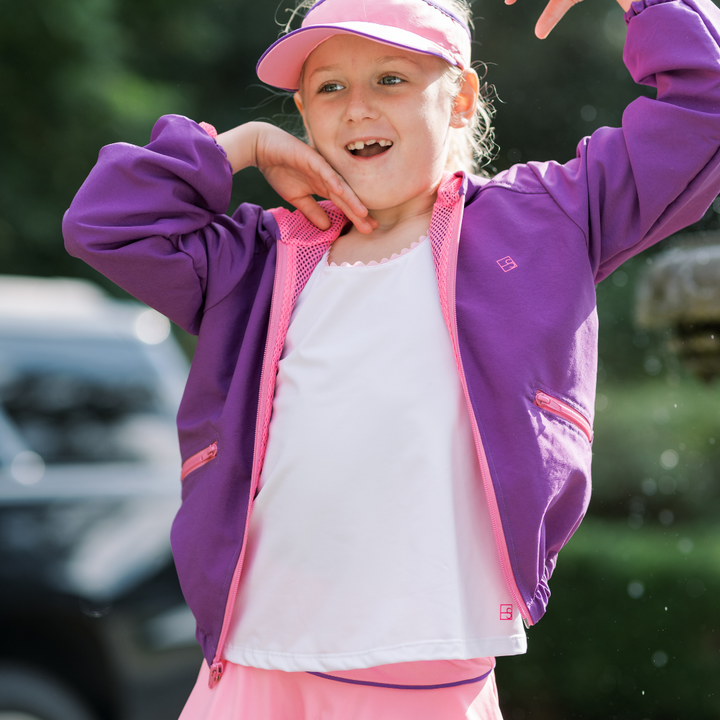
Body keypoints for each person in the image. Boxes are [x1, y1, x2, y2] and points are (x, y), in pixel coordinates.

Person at [63, 0, 720, 716]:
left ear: (462, 97)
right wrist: (242, 145)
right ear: (304, 115)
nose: (356, 109)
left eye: (391, 79)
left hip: (423, 675)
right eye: (329, 88)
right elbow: (107, 223)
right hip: (249, 670)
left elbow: (704, 108)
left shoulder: (544, 221)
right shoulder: (254, 261)